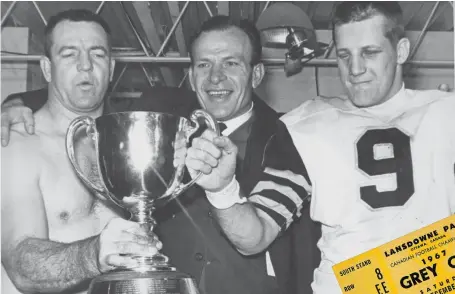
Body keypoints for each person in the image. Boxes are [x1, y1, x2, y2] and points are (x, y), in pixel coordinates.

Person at [1, 15, 321, 294]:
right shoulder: (159, 115)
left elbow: (255, 237)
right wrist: (14, 105)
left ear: (257, 75)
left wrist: (223, 189)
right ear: (192, 76)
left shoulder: (283, 144)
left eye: (232, 63)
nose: (215, 77)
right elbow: (83, 96)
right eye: (203, 65)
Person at [184, 2, 455, 294]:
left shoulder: (445, 113)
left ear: (401, 51)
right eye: (344, 55)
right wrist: (221, 190)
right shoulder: (306, 127)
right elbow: (255, 237)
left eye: (369, 52)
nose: (355, 69)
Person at [1, 9, 159, 294]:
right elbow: (20, 264)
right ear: (47, 69)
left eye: (97, 54)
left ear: (111, 68)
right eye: (70, 54)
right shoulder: (18, 143)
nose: (85, 66)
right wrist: (94, 254)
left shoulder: (126, 149)